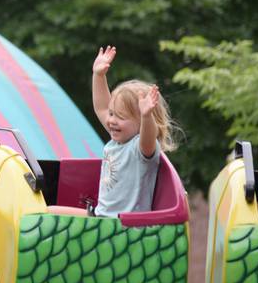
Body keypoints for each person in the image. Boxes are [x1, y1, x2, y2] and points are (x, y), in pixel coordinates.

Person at [50, 46, 177, 217]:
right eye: (112, 114)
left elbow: (149, 136)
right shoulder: (117, 140)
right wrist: (98, 75)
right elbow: (102, 107)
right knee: (47, 212)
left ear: (140, 123)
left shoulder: (141, 149)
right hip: (100, 217)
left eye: (121, 117)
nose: (111, 121)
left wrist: (147, 116)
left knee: (48, 218)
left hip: (120, 226)